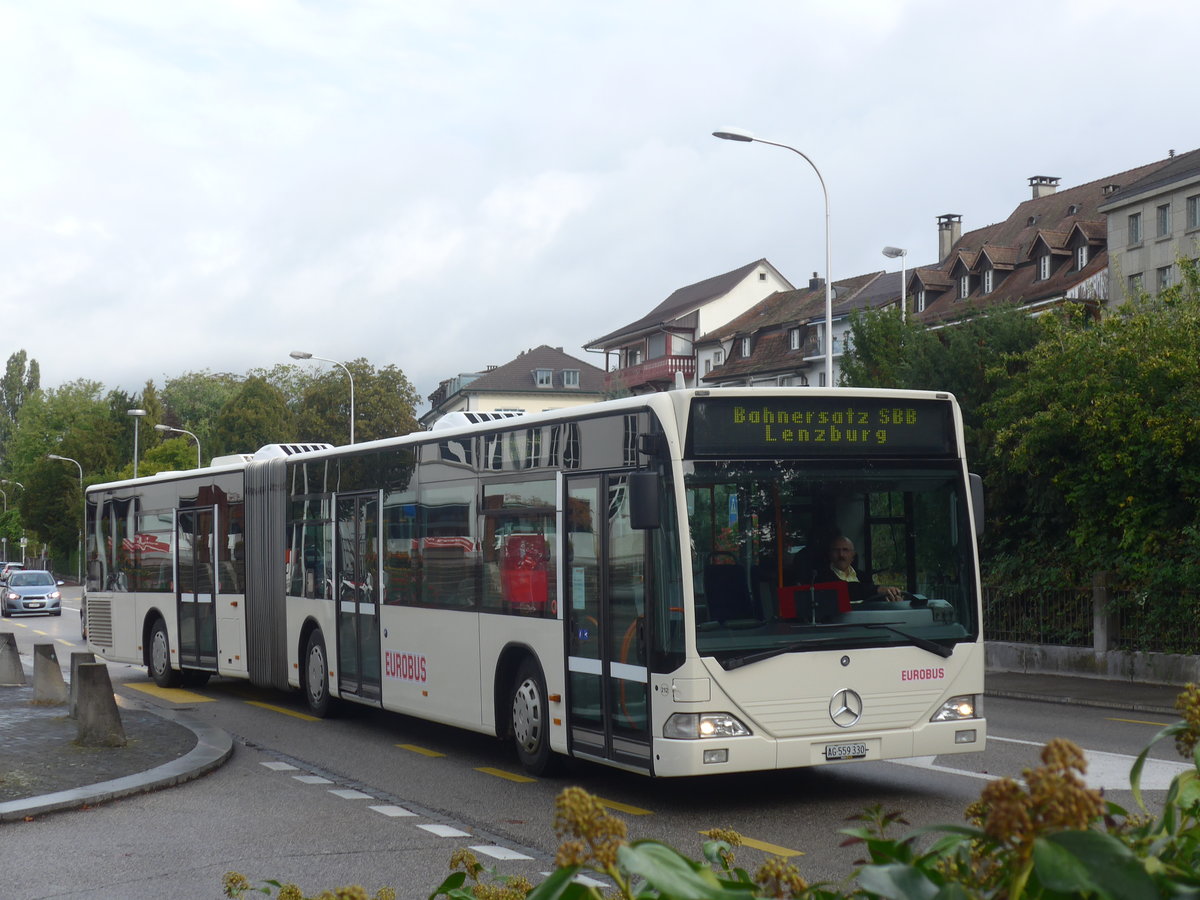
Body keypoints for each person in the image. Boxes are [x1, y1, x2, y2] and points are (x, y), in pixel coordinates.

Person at [819, 535, 902, 603]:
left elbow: (871, 598)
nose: (841, 555)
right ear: (829, 554)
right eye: (836, 550)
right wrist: (878, 589)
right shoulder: (821, 576)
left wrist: (889, 597)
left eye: (845, 550)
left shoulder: (863, 576)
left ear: (853, 556)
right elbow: (846, 590)